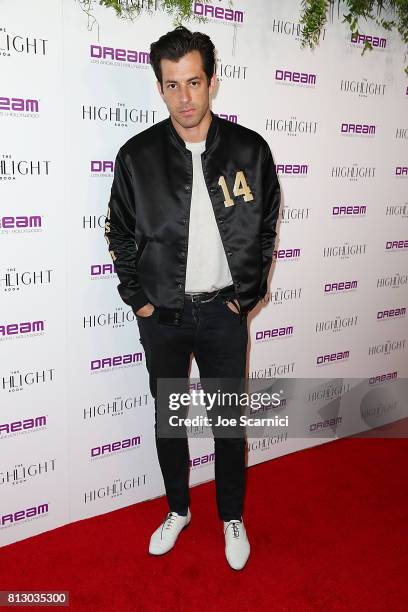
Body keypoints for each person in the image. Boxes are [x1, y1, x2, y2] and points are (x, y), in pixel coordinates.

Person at [104, 26, 280, 570]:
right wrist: (142, 303)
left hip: (224, 312)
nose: (185, 97)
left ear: (212, 82)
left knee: (229, 423)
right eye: (172, 85)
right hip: (164, 317)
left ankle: (232, 515)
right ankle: (178, 509)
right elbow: (120, 235)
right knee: (170, 421)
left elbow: (267, 224)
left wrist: (247, 295)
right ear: (159, 88)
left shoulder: (250, 151)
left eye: (194, 82)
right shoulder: (136, 156)